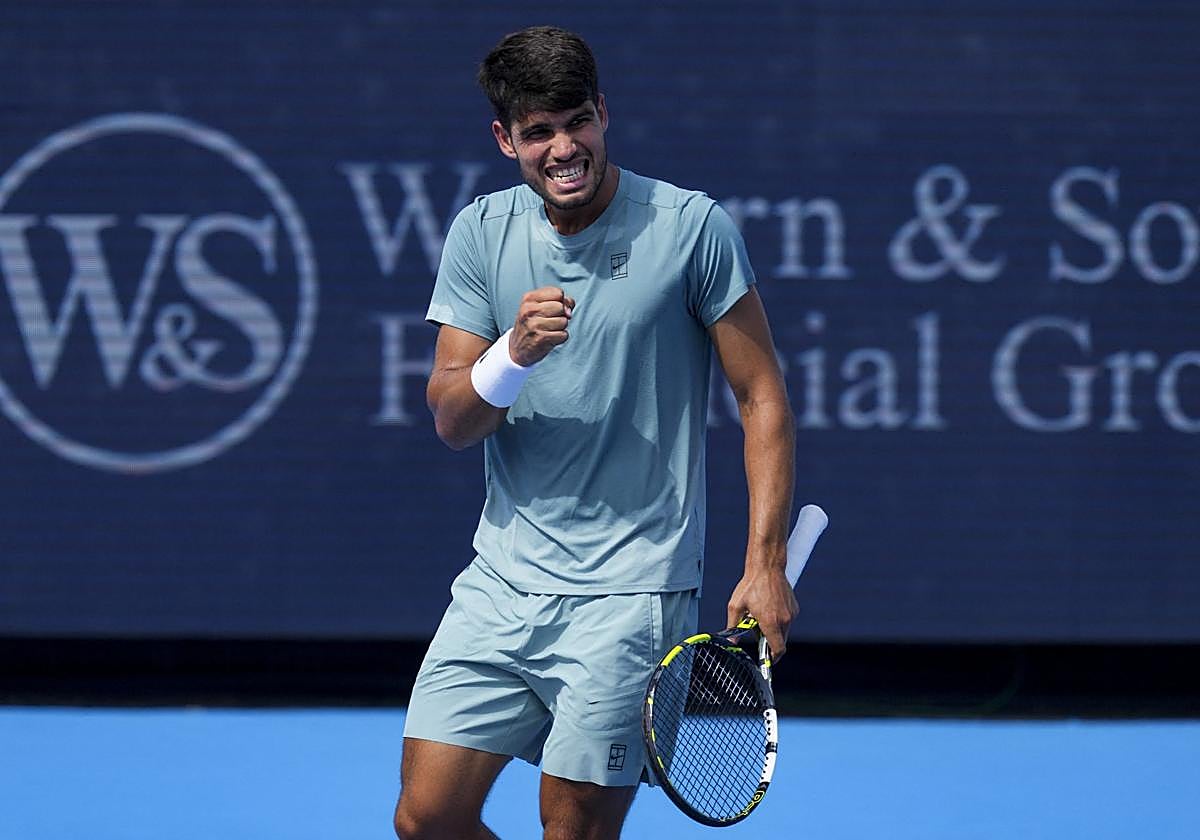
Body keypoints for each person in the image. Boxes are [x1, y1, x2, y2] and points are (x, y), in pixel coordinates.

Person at [394, 25, 796, 840]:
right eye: (539, 131)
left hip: (635, 597)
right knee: (426, 818)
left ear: (604, 114)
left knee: (570, 830)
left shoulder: (692, 228)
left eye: (577, 121)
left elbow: (762, 398)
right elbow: (451, 420)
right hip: (501, 584)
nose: (564, 147)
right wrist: (512, 354)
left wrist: (765, 565)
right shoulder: (480, 232)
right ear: (506, 139)